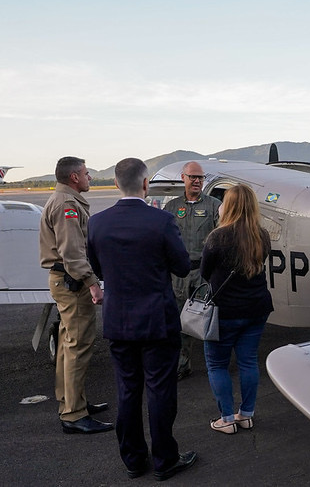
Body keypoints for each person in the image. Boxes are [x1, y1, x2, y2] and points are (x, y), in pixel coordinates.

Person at [87, 158, 197, 481]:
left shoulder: (98, 223)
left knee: (127, 390)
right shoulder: (161, 221)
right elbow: (181, 266)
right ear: (146, 184)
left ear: (118, 185)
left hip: (119, 321)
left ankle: (134, 459)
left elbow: (99, 268)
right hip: (157, 320)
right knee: (160, 391)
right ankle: (165, 459)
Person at [39, 156, 112, 435]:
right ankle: (73, 414)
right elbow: (71, 252)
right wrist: (92, 283)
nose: (90, 177)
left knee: (68, 345)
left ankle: (72, 402)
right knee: (78, 347)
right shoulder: (67, 205)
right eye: (86, 173)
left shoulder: (65, 201)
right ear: (74, 178)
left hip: (66, 280)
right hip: (72, 282)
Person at [200, 183, 274, 434]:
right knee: (248, 362)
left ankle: (227, 418)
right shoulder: (262, 236)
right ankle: (247, 415)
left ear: (227, 206)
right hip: (256, 308)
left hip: (224, 312)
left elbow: (205, 273)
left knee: (218, 365)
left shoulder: (217, 237)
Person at [163, 161, 221, 380]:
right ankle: (181, 365)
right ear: (183, 178)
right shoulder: (171, 207)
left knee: (208, 320)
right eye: (193, 177)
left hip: (204, 273)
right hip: (178, 275)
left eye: (201, 178)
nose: (197, 181)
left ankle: (215, 365)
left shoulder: (214, 205)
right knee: (179, 321)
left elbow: (221, 237)